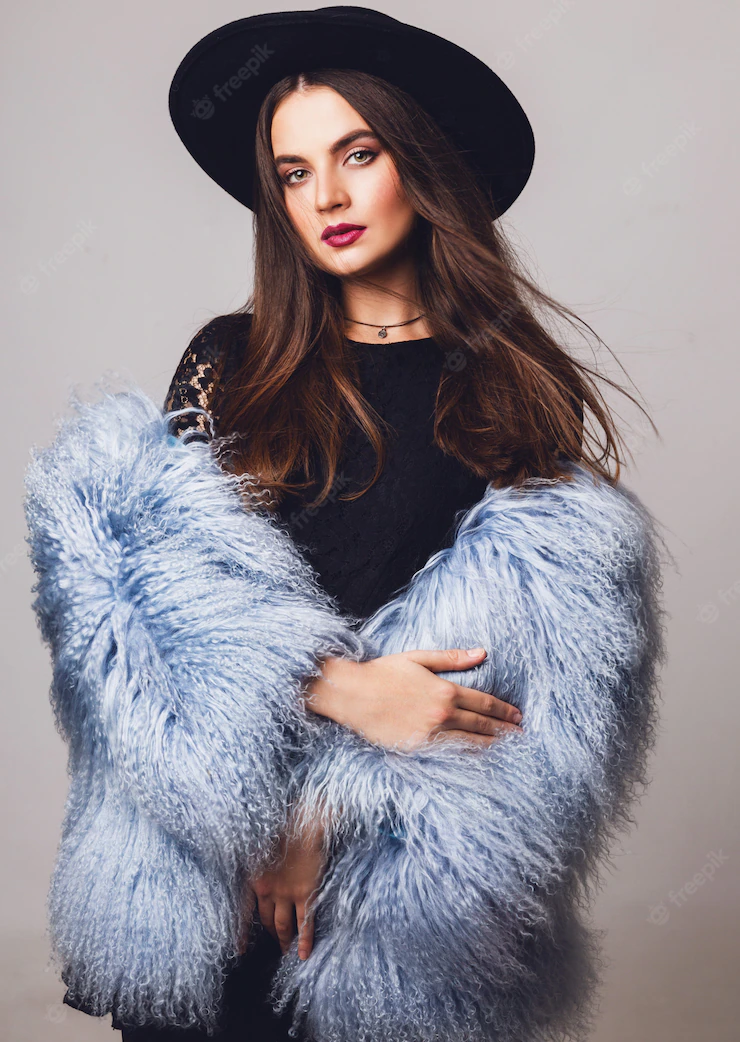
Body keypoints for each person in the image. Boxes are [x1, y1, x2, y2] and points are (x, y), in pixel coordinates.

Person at [25, 9, 663, 1042]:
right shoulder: (228, 365)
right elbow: (127, 607)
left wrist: (325, 815)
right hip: (204, 886)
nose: (323, 197)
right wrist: (322, 685)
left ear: (414, 160)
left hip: (387, 924)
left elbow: (536, 705)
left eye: (355, 154)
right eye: (291, 171)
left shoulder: (505, 396)